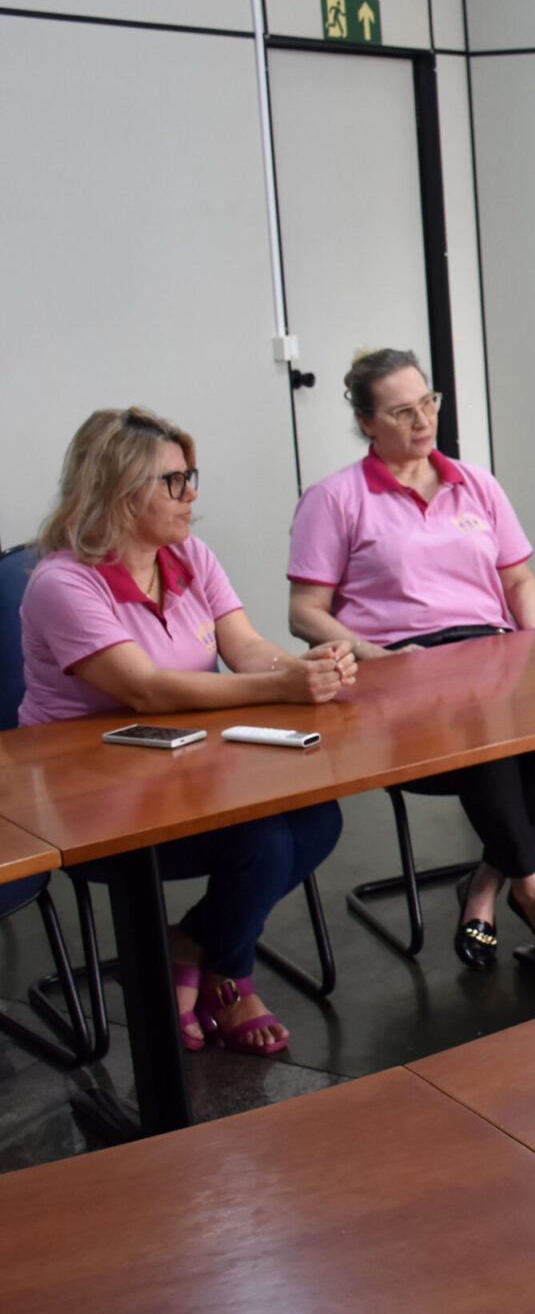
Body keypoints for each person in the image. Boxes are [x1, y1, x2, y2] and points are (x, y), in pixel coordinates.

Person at [19, 409, 353, 1055]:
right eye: (174, 481)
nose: (191, 494)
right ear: (120, 490)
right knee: (260, 841)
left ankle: (193, 947)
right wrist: (280, 688)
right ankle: (233, 980)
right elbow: (145, 688)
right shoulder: (62, 583)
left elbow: (248, 647)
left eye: (188, 476)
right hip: (90, 802)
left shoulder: (190, 555)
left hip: (187, 776)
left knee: (318, 821)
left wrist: (304, 667)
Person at [286, 347, 535, 973]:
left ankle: (486, 883)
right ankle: (533, 891)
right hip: (402, 670)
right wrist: (379, 657)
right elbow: (305, 613)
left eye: (427, 403)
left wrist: (533, 650)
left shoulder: (474, 481)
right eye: (402, 411)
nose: (422, 420)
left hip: (494, 653)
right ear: (368, 422)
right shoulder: (335, 498)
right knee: (481, 724)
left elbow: (520, 582)